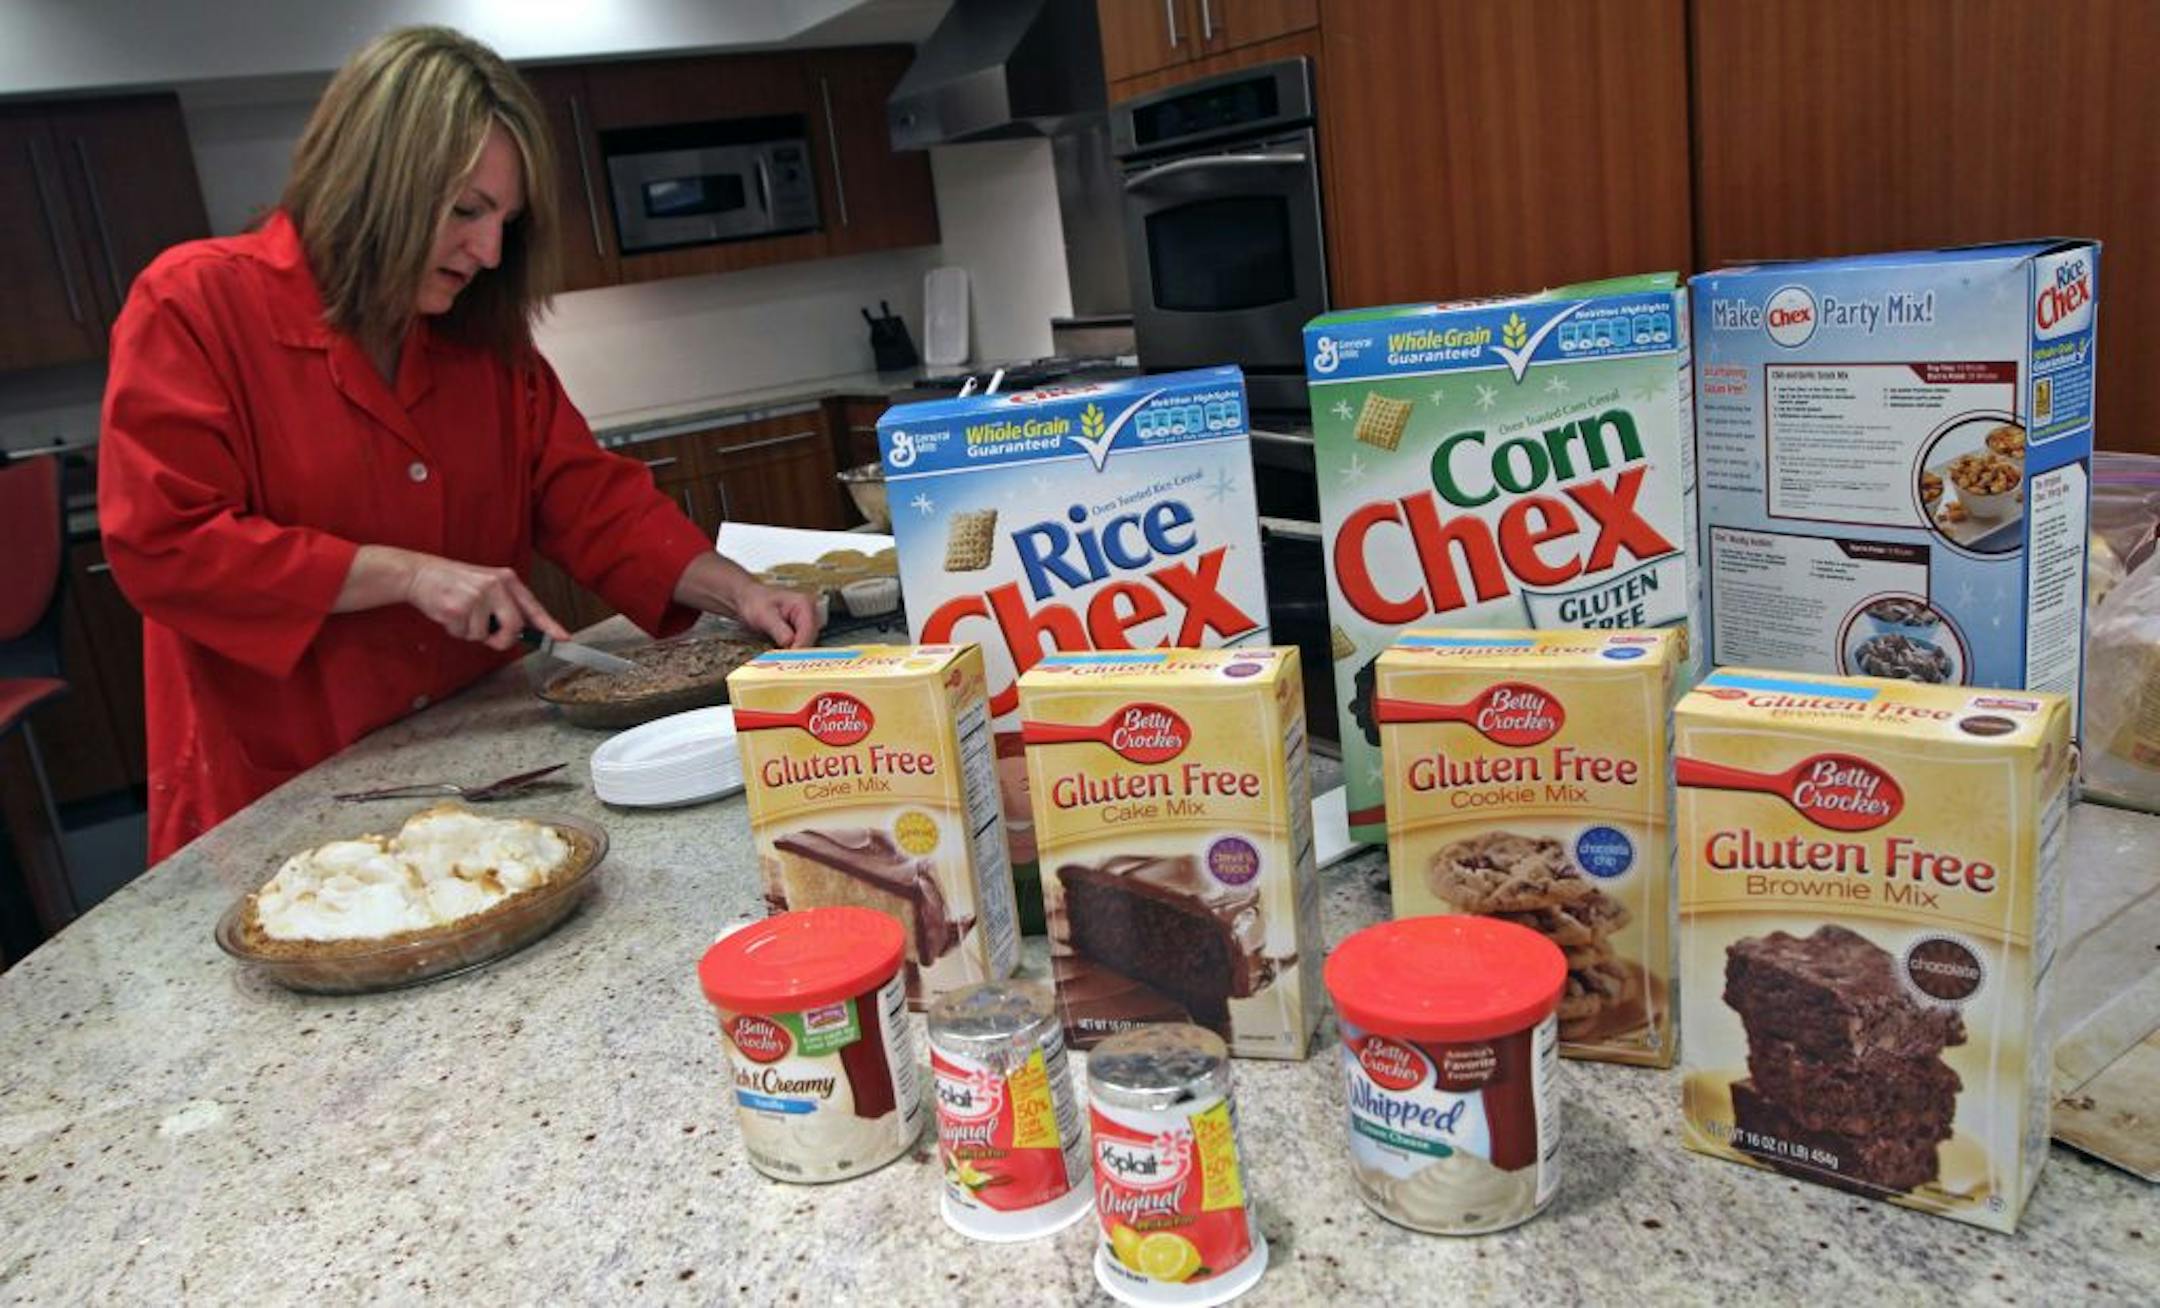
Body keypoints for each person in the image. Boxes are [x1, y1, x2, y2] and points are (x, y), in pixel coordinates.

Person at [98, 27, 819, 862]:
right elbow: (165, 544)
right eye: (466, 211)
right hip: (279, 792)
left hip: (464, 774)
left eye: (504, 221)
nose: (487, 252)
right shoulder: (196, 305)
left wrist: (739, 591)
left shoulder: (483, 345)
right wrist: (405, 574)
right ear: (372, 181)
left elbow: (588, 497)